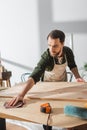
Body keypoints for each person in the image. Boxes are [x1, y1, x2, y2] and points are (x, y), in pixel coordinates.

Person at [7, 29, 85, 130]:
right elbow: (35, 75)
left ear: (62, 44)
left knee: (63, 109)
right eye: (49, 45)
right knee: (47, 111)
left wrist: (78, 77)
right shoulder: (47, 56)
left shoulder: (68, 52)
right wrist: (21, 94)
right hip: (48, 85)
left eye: (55, 46)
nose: (51, 49)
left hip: (63, 84)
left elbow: (72, 66)